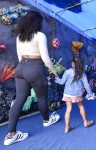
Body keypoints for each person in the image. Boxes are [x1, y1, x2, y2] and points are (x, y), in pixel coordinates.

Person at [4, 11, 60, 146]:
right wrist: (54, 72)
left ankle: (10, 134)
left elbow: (19, 56)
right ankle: (47, 120)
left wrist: (24, 69)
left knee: (19, 100)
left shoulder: (20, 37)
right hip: (36, 68)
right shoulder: (40, 36)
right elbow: (45, 58)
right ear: (37, 22)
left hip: (21, 68)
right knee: (42, 97)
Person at [55, 57, 95, 133]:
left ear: (72, 64)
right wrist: (90, 94)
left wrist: (56, 78)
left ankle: (67, 127)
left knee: (68, 109)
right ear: (81, 65)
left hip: (67, 93)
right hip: (77, 93)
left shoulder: (68, 71)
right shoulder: (82, 74)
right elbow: (86, 85)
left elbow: (61, 82)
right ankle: (86, 122)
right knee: (81, 106)